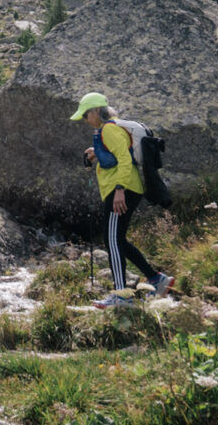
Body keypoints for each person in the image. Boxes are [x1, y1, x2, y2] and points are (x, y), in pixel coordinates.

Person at [73, 92, 174, 309]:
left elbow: (125, 161)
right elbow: (118, 156)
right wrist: (98, 153)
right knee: (118, 239)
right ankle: (156, 279)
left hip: (122, 189)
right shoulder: (111, 128)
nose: (85, 120)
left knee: (111, 240)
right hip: (128, 188)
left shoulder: (109, 129)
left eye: (85, 115)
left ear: (95, 111)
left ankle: (121, 295)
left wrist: (119, 189)